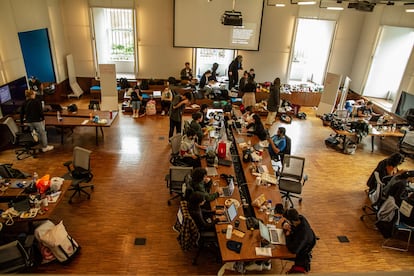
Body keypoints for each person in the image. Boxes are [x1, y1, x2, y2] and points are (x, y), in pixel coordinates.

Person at [282, 208, 316, 273]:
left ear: (292, 222)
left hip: (301, 252)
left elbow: (293, 250)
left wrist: (288, 236)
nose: (288, 222)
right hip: (297, 241)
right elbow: (286, 222)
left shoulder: (302, 234)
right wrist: (285, 224)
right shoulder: (300, 218)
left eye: (288, 221)